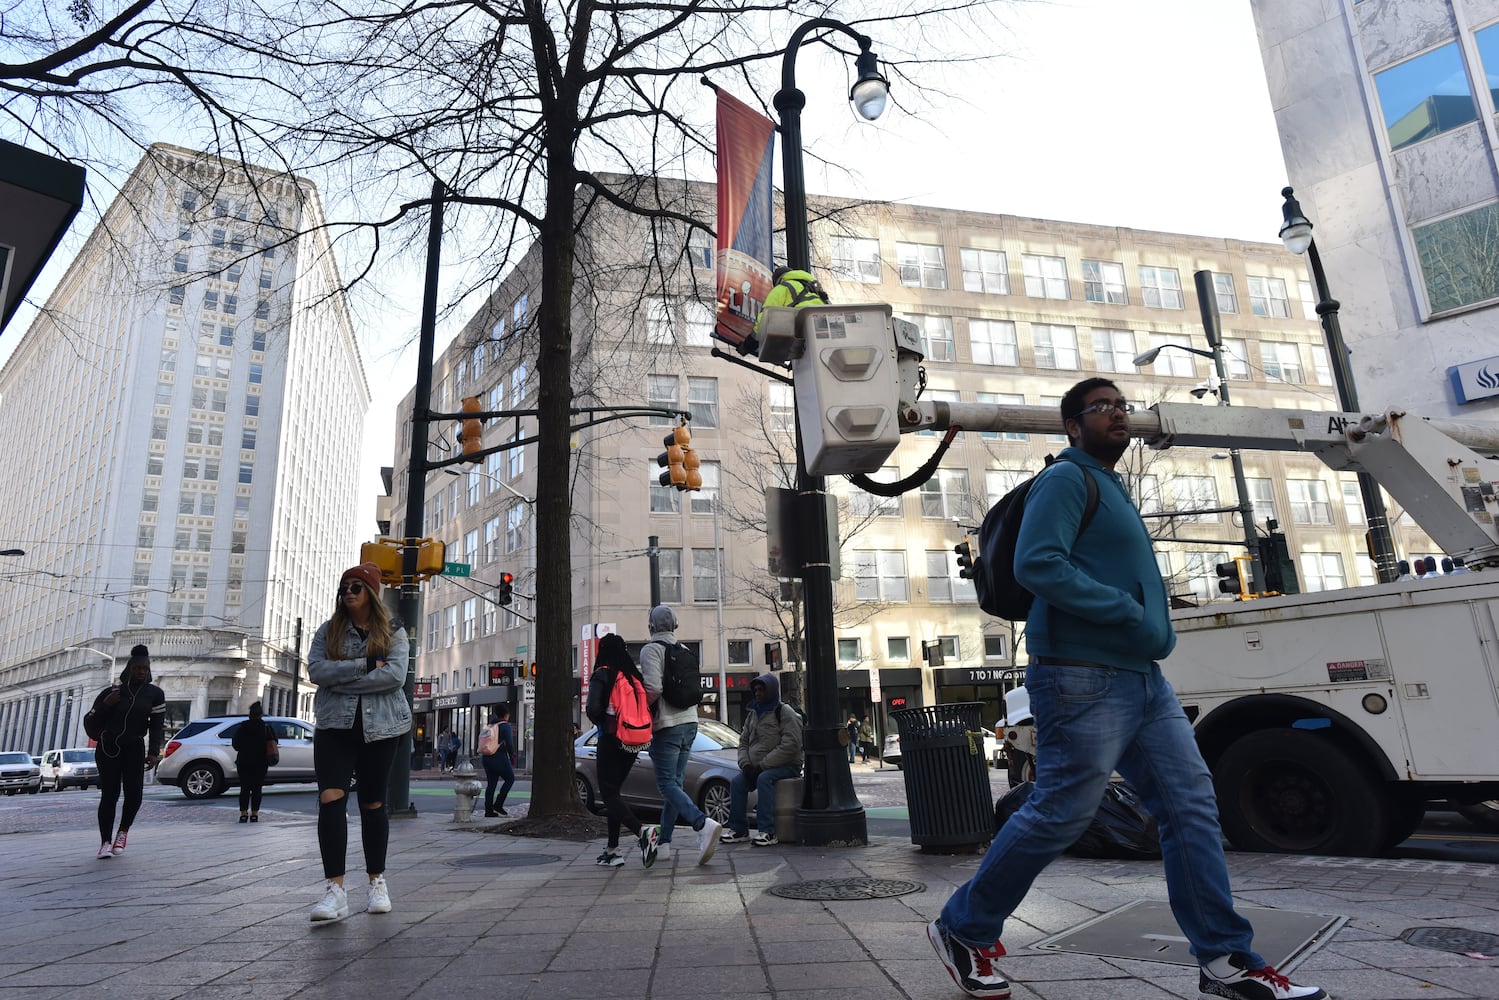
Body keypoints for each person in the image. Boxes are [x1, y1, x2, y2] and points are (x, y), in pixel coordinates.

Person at [927, 378, 1325, 1000]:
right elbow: (1038, 563)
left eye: (1123, 405)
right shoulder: (1067, 479)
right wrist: (1127, 611)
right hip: (1081, 672)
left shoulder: (1113, 487)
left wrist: (1145, 626)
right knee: (1063, 808)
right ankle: (964, 926)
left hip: (1144, 679)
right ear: (1072, 426)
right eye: (1102, 407)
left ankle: (1224, 959)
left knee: (1190, 806)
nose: (1118, 414)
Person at [305, 562, 411, 922]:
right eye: (345, 587)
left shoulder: (393, 631)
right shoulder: (328, 630)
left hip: (382, 728)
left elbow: (394, 677)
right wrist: (365, 667)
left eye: (356, 587)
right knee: (330, 798)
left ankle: (376, 882)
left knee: (372, 803)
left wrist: (342, 675)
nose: (348, 592)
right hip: (335, 725)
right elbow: (316, 671)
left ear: (371, 592)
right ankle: (335, 891)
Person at [640, 604, 722, 865]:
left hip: (667, 725)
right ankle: (664, 844)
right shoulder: (685, 650)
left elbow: (652, 687)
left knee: (666, 785)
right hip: (691, 723)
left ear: (651, 626)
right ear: (675, 624)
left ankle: (702, 824)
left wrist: (641, 705)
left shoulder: (651, 649)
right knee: (674, 784)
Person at [584, 632, 660, 868]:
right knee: (614, 793)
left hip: (611, 739)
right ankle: (612, 850)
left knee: (608, 794)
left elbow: (593, 708)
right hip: (635, 740)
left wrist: (601, 723)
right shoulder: (633, 675)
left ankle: (642, 832)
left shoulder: (603, 673)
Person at [88, 644, 166, 859]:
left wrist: (153, 752)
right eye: (137, 668)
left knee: (135, 795)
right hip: (108, 748)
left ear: (148, 669)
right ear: (129, 668)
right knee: (110, 795)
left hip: (134, 747)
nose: (141, 671)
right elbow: (91, 719)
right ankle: (105, 842)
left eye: (144, 668)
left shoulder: (155, 694)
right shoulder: (112, 692)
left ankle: (123, 832)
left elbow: (157, 725)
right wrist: (105, 704)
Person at [719, 673, 803, 847]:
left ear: (771, 691)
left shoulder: (785, 713)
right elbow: (743, 741)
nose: (757, 693)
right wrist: (746, 764)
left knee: (764, 779)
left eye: (761, 690)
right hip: (758, 766)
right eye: (755, 690)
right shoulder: (753, 714)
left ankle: (768, 831)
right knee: (737, 782)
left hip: (787, 765)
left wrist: (764, 765)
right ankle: (739, 830)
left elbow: (791, 745)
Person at [751, 264, 828, 336]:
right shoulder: (814, 288)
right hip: (822, 324)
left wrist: (751, 340)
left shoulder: (782, 288)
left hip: (799, 325)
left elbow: (766, 316)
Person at [231, 701, 272, 823]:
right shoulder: (266, 728)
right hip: (260, 762)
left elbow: (236, 744)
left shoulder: (243, 727)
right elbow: (273, 742)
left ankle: (243, 814)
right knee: (257, 788)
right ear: (261, 714)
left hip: (244, 761)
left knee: (244, 788)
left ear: (250, 714)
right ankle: (255, 814)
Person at [481, 706, 517, 817]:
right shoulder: (505, 726)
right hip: (499, 756)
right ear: (506, 714)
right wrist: (512, 756)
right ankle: (498, 804)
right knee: (510, 778)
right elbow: (509, 744)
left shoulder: (490, 725)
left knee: (491, 784)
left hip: (486, 756)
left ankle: (488, 810)